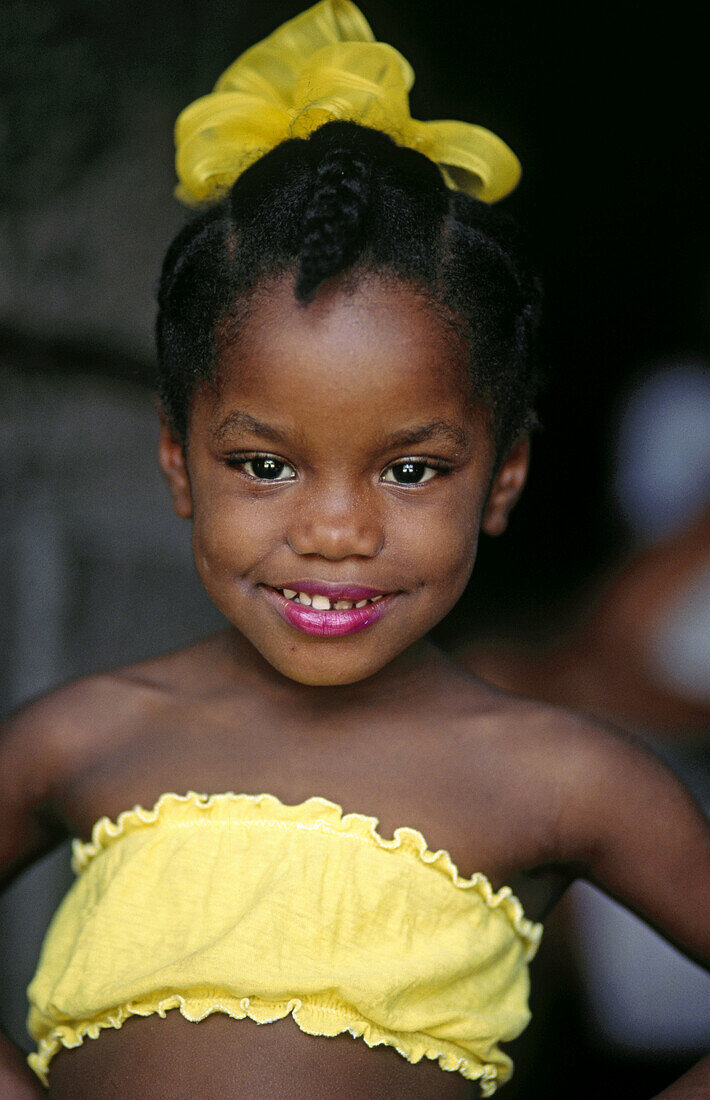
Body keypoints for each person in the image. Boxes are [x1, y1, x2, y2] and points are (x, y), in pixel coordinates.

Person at [1, 3, 708, 1097]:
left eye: (411, 469)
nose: (336, 529)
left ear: (502, 478)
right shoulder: (79, 738)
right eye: (265, 464)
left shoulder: (563, 778)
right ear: (179, 461)